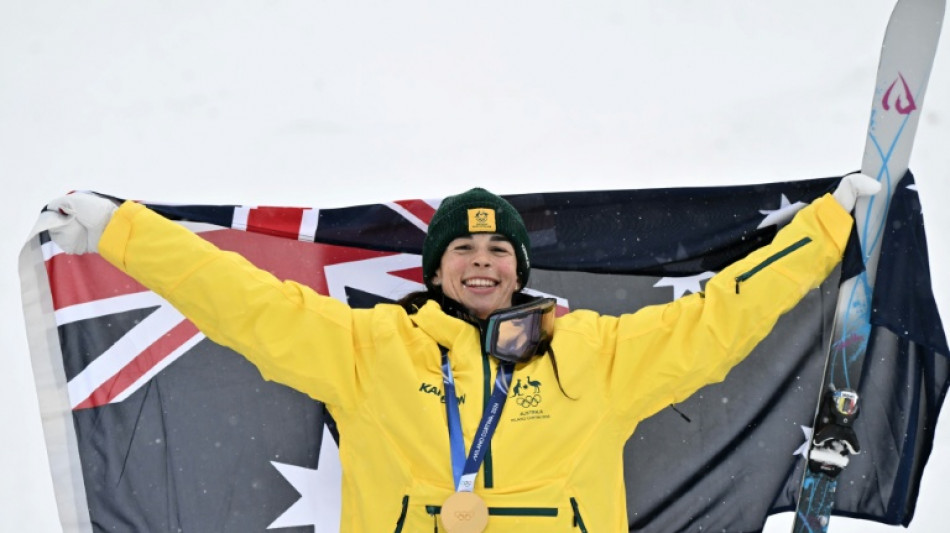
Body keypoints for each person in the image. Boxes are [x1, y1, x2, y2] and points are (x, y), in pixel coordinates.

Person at [44, 176, 879, 532]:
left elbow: (720, 318)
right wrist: (124, 230)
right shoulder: (367, 349)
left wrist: (823, 228)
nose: (482, 259)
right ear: (437, 268)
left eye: (498, 249)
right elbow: (241, 301)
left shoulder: (592, 348)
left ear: (519, 267)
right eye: (463, 249)